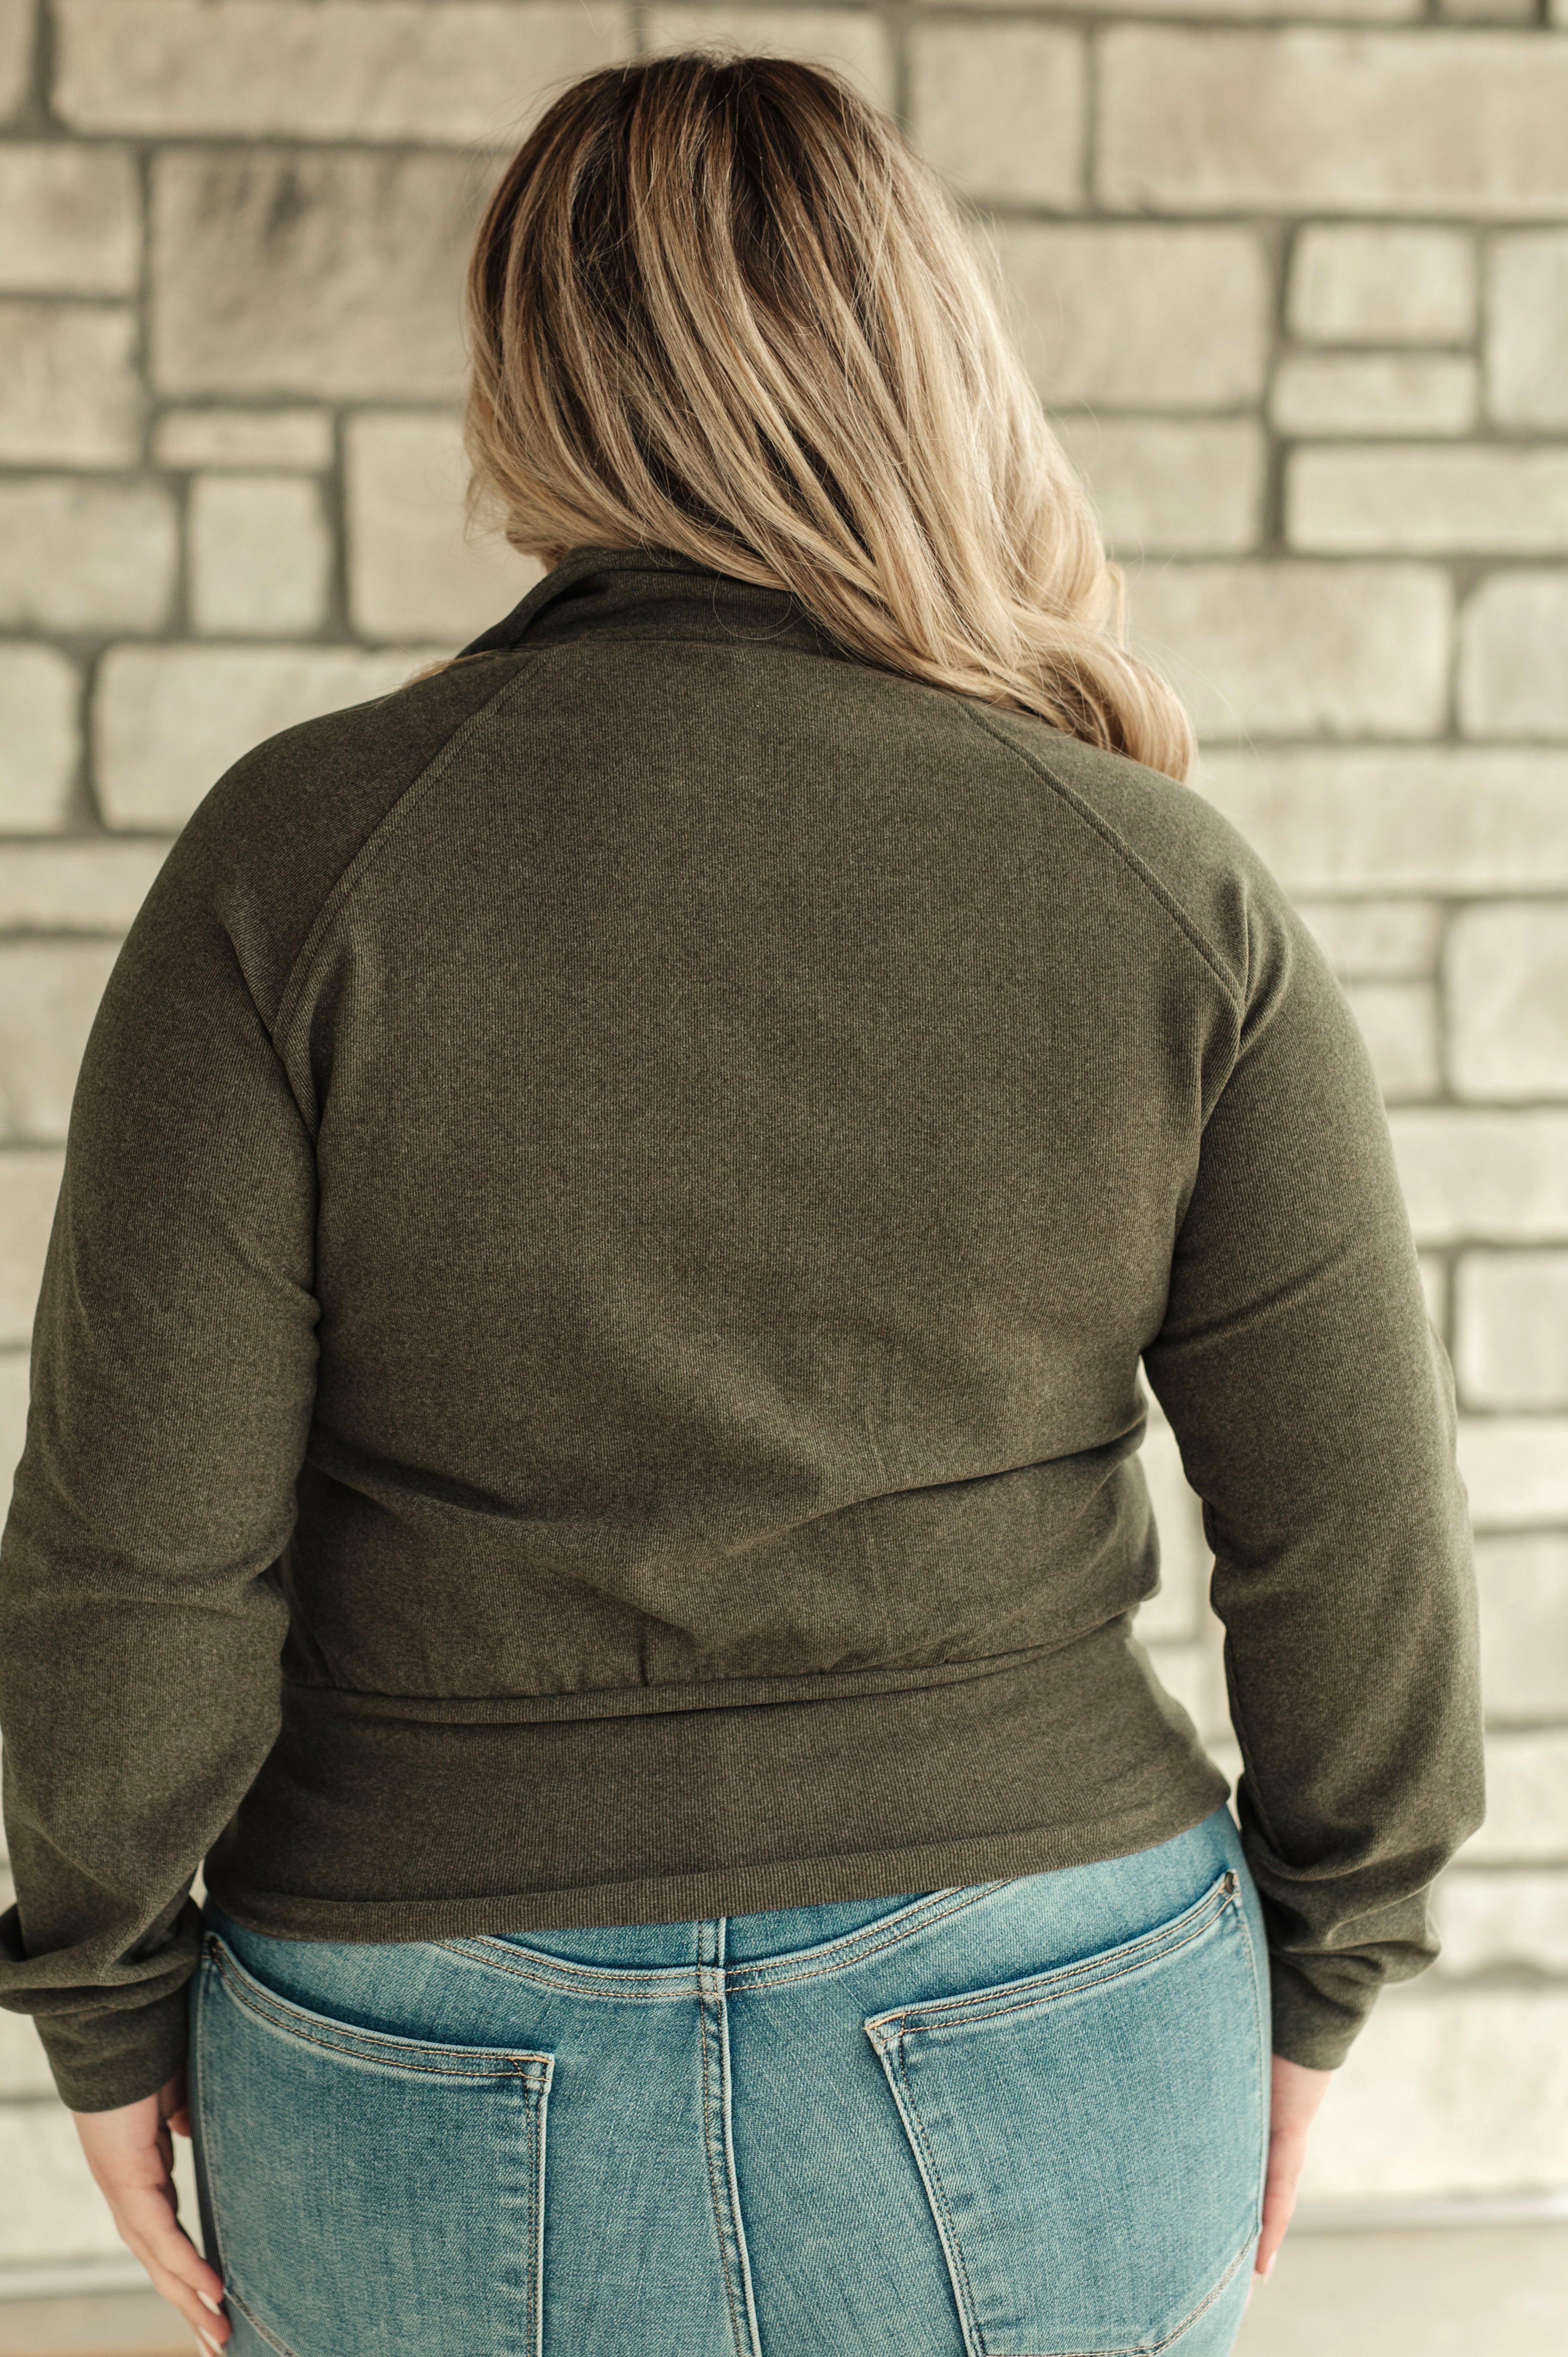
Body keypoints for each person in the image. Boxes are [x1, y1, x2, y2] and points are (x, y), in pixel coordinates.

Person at [0, 49, 1482, 2357]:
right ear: (925, 359)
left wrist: (97, 1987)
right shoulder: (1160, 888)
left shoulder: (298, 870)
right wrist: (1332, 1956)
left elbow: (139, 1543)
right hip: (1055, 1986)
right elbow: (1360, 1529)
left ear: (532, 378)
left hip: (415, 2016)